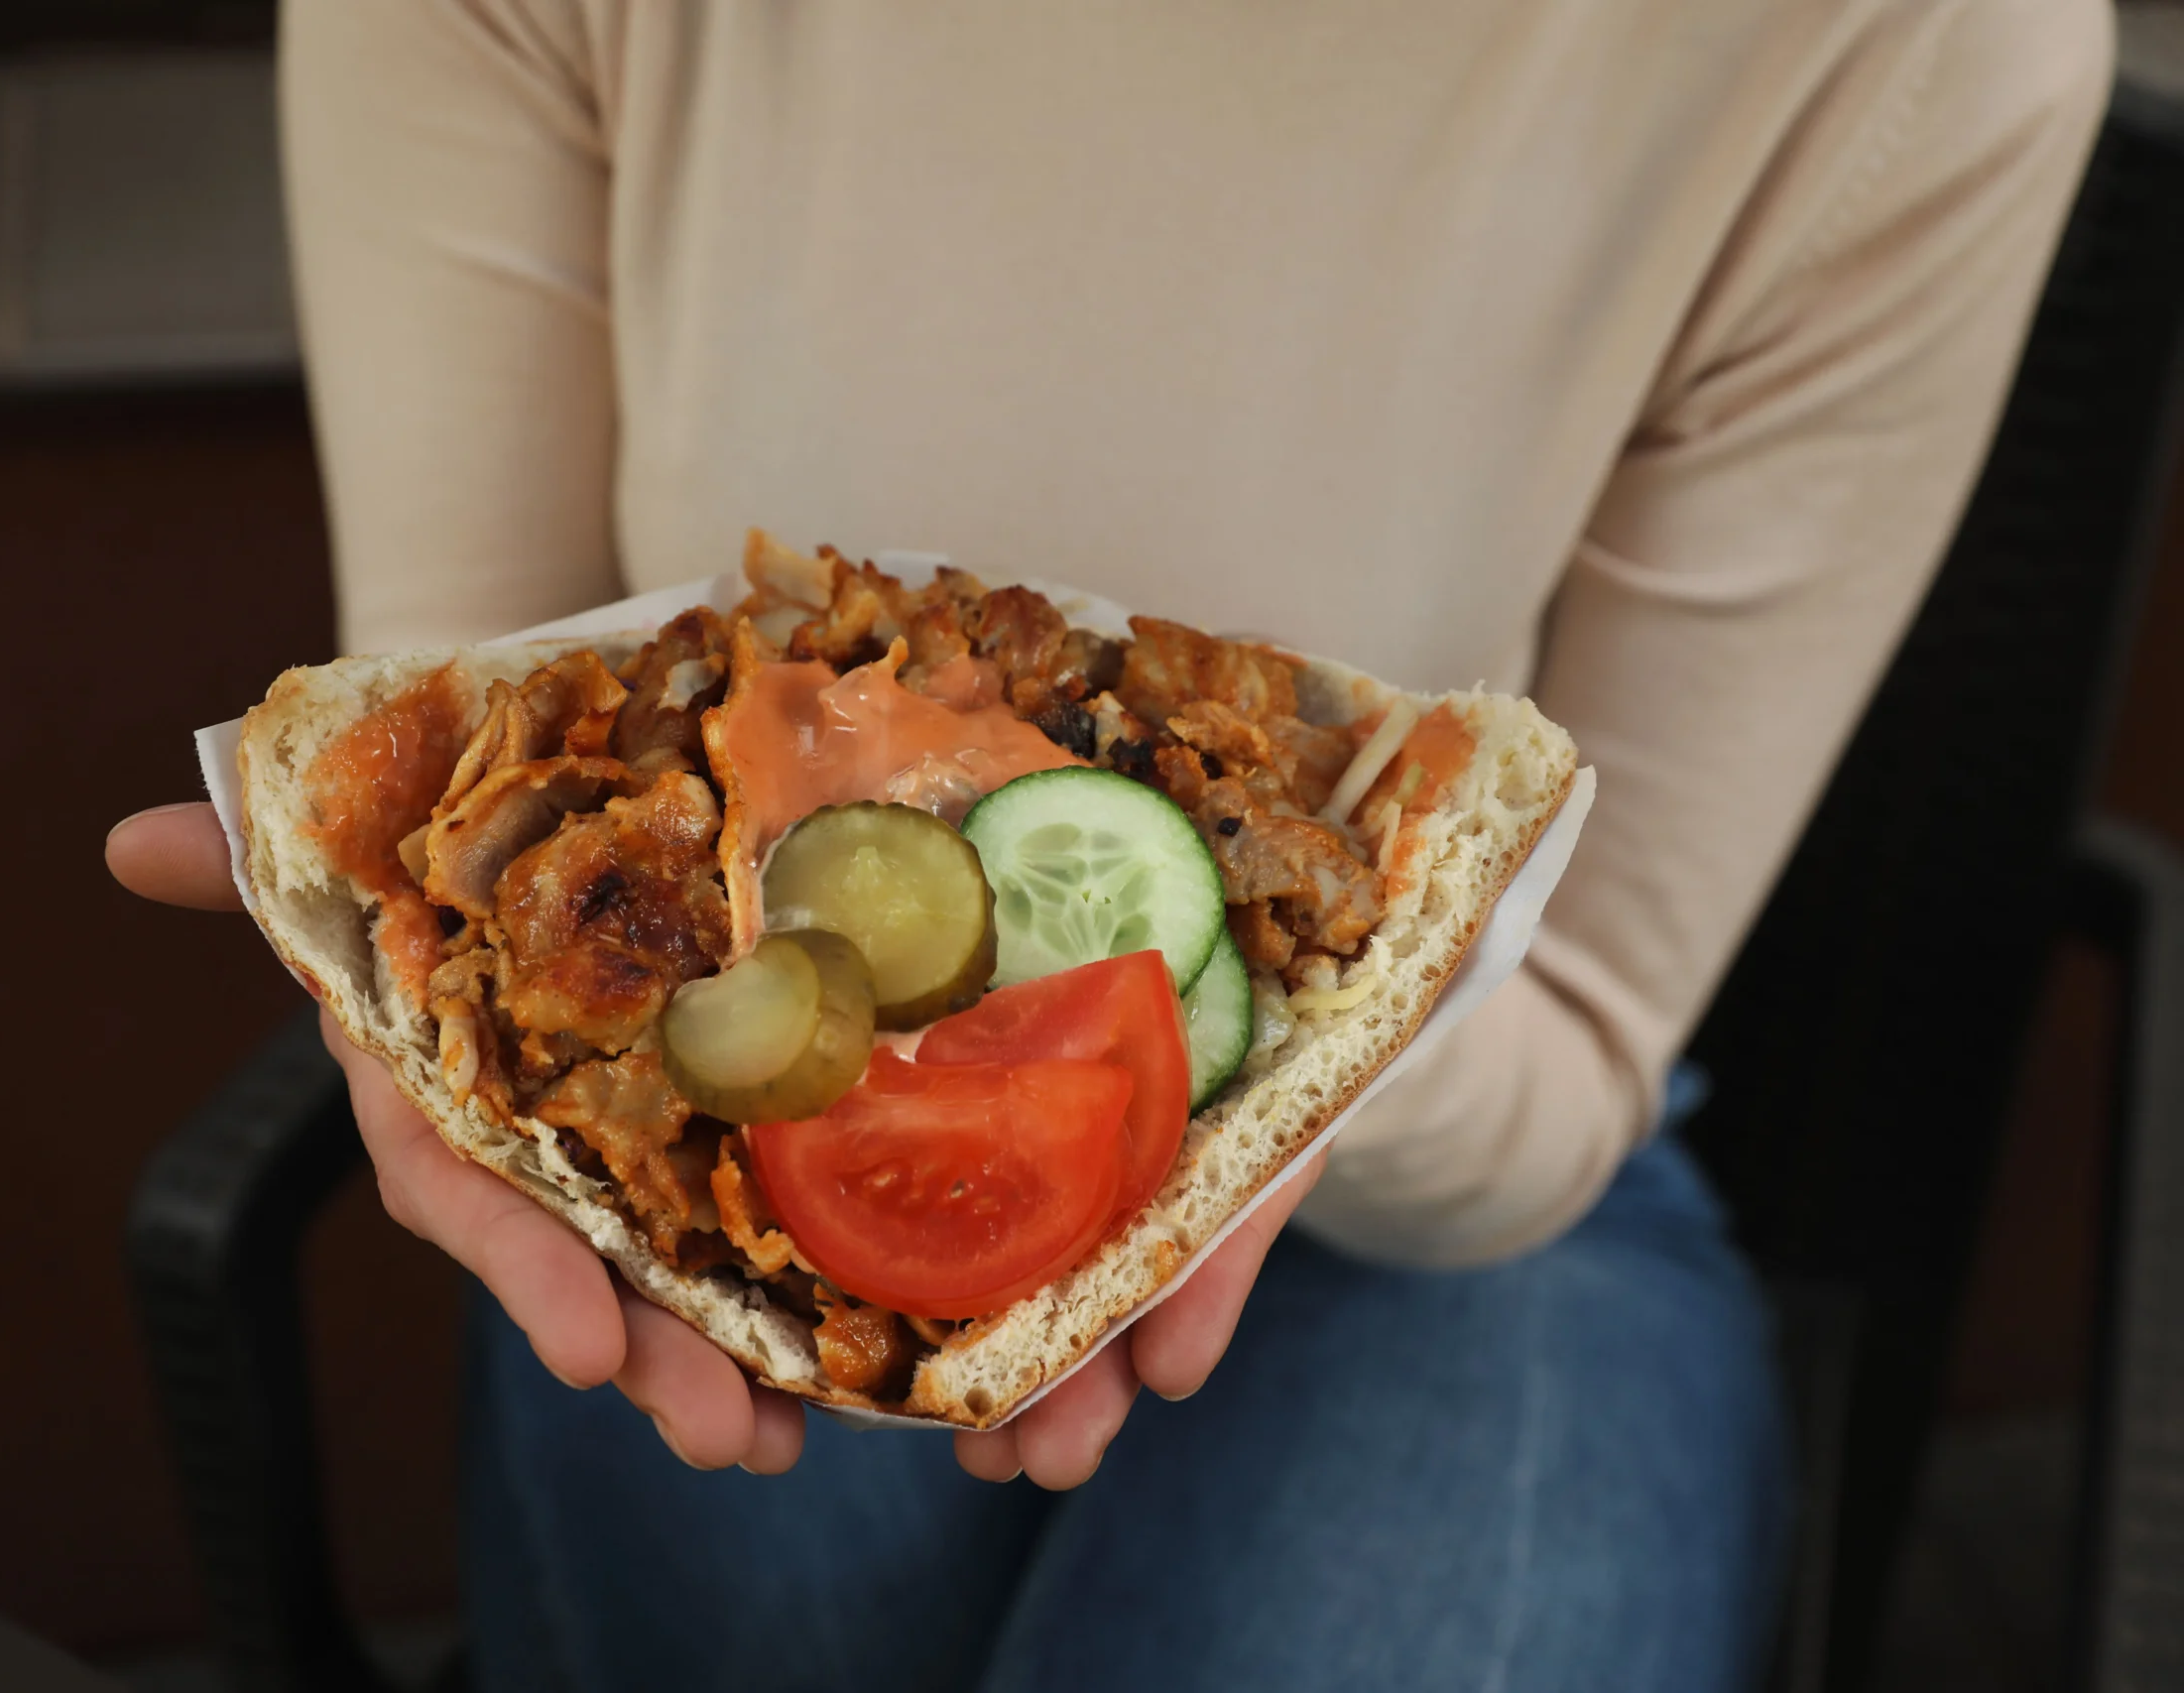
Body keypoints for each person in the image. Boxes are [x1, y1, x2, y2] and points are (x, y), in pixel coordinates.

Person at [107, 2, 2113, 1687]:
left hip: (1455, 1184)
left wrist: (1295, 1040)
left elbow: (1571, 1039)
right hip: (745, 1175)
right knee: (760, 1572)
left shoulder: (1907, 42)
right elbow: (450, 792)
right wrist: (408, 987)